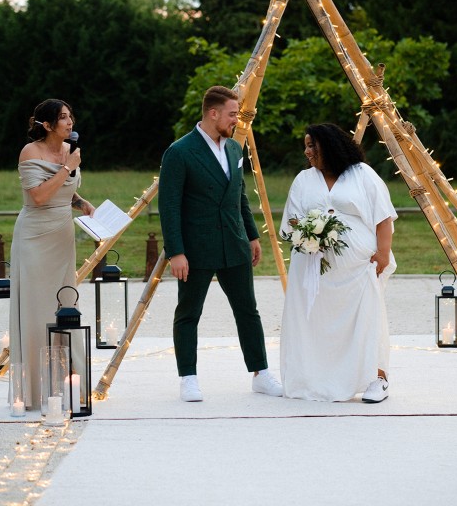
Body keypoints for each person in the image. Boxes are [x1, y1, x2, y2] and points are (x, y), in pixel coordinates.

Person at [158, 85, 282, 402]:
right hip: (195, 248)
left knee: (248, 311)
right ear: (213, 113)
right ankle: (188, 378)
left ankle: (261, 374)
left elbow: (239, 197)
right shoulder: (179, 152)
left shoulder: (234, 149)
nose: (236, 120)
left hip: (235, 243)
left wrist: (252, 236)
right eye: (232, 114)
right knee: (189, 313)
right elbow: (169, 207)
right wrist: (176, 252)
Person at [280, 123, 397, 403]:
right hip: (312, 269)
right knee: (314, 322)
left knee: (368, 319)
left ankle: (377, 378)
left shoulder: (362, 174)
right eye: (306, 146)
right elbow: (292, 221)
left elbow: (383, 217)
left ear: (330, 146)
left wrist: (383, 254)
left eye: (312, 145)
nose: (307, 151)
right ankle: (318, 378)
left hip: (357, 269)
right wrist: (307, 233)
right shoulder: (303, 180)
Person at [9, 99, 94, 410]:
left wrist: (81, 203)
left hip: (62, 236)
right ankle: (34, 388)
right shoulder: (30, 152)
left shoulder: (70, 150)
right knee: (37, 308)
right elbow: (39, 196)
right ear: (46, 125)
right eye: (62, 118)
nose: (70, 122)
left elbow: (64, 190)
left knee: (65, 303)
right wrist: (68, 167)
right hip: (34, 237)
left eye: (70, 116)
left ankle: (66, 383)